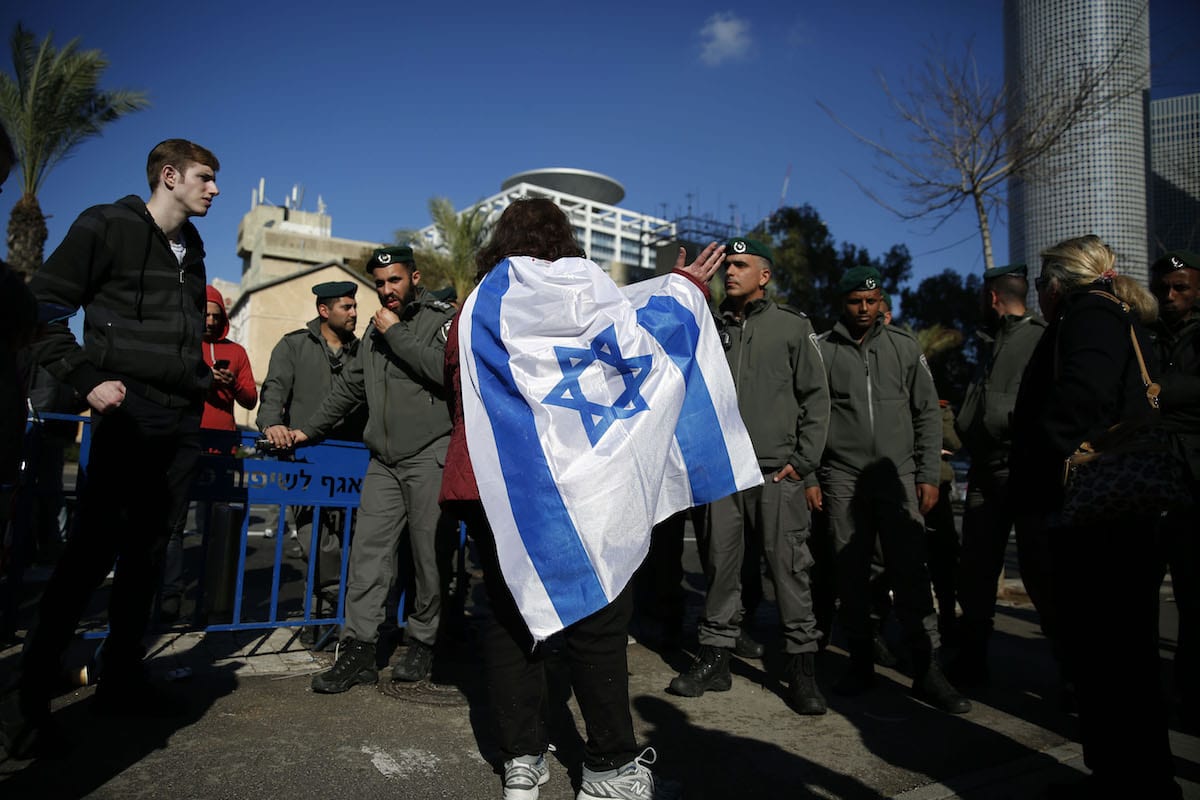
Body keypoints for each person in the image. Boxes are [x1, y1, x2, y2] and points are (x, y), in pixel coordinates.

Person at [441, 198, 738, 800]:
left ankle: (521, 758)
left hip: (495, 486)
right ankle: (609, 766)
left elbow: (455, 375)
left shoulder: (478, 308)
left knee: (507, 618)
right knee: (598, 620)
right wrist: (682, 286)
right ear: (564, 241)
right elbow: (642, 344)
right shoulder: (589, 297)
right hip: (581, 492)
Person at [0, 139, 220, 759]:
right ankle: (24, 702)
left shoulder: (194, 249)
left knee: (149, 555)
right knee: (90, 554)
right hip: (128, 412)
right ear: (169, 177)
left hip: (179, 418)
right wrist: (85, 378)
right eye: (205, 177)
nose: (215, 189)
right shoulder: (107, 225)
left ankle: (123, 681)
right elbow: (40, 309)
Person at [1010, 235, 1180, 797]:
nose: (1039, 294)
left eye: (1041, 283)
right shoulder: (1115, 313)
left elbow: (1083, 394)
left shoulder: (1091, 316)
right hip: (1113, 508)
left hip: (1096, 512)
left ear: (1057, 284)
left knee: (1111, 662)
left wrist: (1041, 451)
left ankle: (1133, 779)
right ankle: (1133, 775)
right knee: (1118, 658)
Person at [667, 237, 830, 715]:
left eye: (741, 265)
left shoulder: (793, 328)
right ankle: (715, 660)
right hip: (722, 471)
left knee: (789, 571)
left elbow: (816, 400)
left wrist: (803, 461)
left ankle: (801, 669)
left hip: (777, 473)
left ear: (765, 275)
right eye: (728, 265)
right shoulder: (707, 327)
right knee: (719, 570)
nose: (730, 272)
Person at [291, 246, 456, 692]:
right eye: (380, 284)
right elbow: (350, 387)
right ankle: (359, 652)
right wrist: (308, 430)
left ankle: (424, 640)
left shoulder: (441, 320)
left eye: (395, 281)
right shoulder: (374, 330)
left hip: (429, 456)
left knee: (429, 560)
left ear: (415, 278)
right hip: (383, 461)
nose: (386, 290)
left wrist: (398, 333)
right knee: (366, 559)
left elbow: (446, 374)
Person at [809, 265, 969, 714]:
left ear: (881, 302)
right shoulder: (821, 350)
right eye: (855, 301)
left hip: (897, 477)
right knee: (851, 573)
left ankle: (927, 668)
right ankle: (860, 663)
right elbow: (812, 416)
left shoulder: (904, 346)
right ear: (843, 303)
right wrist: (810, 476)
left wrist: (925, 475)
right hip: (841, 477)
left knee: (910, 571)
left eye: (871, 301)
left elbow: (926, 414)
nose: (864, 309)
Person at [949, 264, 1046, 686]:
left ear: (992, 298)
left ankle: (1074, 674)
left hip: (1024, 469)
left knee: (1040, 570)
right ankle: (972, 662)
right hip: (985, 471)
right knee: (975, 569)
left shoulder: (1039, 338)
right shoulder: (990, 344)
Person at [257, 280, 367, 644]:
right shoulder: (293, 345)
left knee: (352, 542)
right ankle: (320, 616)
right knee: (316, 541)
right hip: (306, 461)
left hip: (351, 462)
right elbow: (274, 389)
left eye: (354, 306)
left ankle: (337, 621)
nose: (354, 313)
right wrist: (272, 422)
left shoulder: (362, 351)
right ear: (324, 311)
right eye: (347, 307)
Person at [160, 285, 257, 621]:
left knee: (217, 524)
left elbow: (250, 399)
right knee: (172, 523)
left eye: (218, 315)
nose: (212, 321)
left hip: (223, 446)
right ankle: (169, 595)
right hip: (182, 441)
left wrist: (230, 383)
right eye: (207, 314)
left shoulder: (237, 352)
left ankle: (212, 596)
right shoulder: (181, 346)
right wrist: (202, 379)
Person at [1147, 249, 1200, 732]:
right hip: (1147, 478)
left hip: (1190, 481)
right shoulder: (1145, 335)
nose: (1170, 295)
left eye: (1180, 287)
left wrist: (1161, 392)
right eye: (1164, 287)